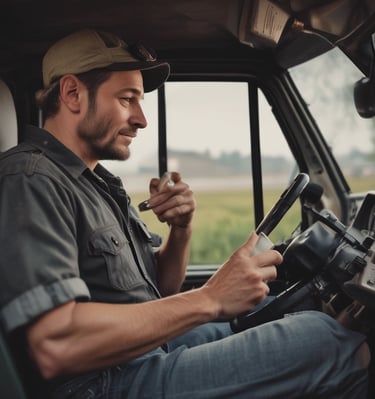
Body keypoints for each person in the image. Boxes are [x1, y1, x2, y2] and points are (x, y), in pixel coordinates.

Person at [0, 29, 370, 399]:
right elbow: (56, 344)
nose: (142, 119)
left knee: (292, 315)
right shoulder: (31, 179)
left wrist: (181, 229)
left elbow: (160, 290)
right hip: (102, 382)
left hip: (139, 353)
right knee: (330, 345)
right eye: (127, 99)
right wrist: (210, 298)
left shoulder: (97, 184)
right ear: (72, 94)